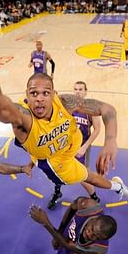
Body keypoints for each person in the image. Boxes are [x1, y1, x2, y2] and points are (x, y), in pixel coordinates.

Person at [0, 35, 128, 203]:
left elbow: (107, 108)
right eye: (34, 93)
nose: (39, 98)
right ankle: (118, 187)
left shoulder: (64, 102)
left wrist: (110, 141)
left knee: (87, 172)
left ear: (53, 94)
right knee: (88, 176)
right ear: (27, 96)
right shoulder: (23, 119)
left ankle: (115, 187)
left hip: (72, 141)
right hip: (57, 161)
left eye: (46, 93)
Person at [29, 196, 117, 254]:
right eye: (92, 229)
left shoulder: (100, 251)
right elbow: (72, 207)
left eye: (96, 237)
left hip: (80, 253)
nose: (90, 235)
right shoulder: (88, 206)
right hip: (74, 242)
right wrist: (61, 230)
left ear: (102, 239)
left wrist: (45, 223)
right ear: (94, 218)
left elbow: (68, 246)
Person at [48, 81, 102, 210]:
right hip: (65, 146)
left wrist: (84, 147)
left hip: (82, 147)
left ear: (85, 92)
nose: (77, 91)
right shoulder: (68, 107)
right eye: (76, 89)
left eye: (80, 89)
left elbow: (97, 129)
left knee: (83, 175)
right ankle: (57, 192)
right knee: (57, 171)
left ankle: (94, 197)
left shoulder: (91, 109)